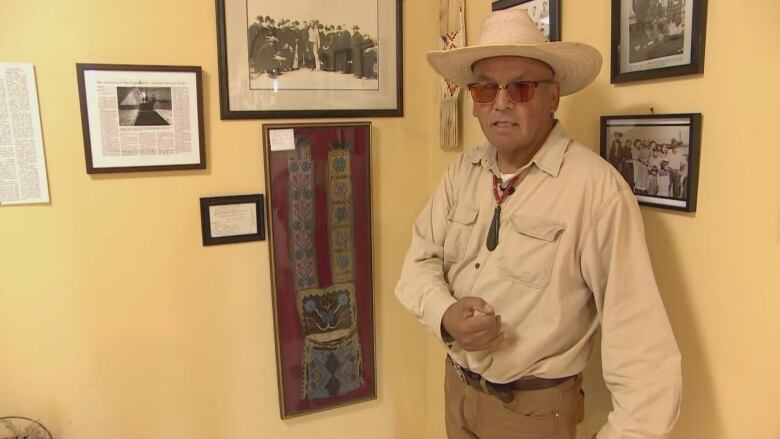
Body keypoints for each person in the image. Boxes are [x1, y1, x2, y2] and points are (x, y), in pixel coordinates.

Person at [395, 9, 681, 439]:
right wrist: (446, 314)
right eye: (485, 88)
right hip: (458, 391)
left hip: (533, 413)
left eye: (522, 87)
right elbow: (419, 263)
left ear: (553, 97)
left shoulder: (594, 190)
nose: (502, 102)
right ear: (473, 102)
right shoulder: (463, 172)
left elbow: (641, 343)